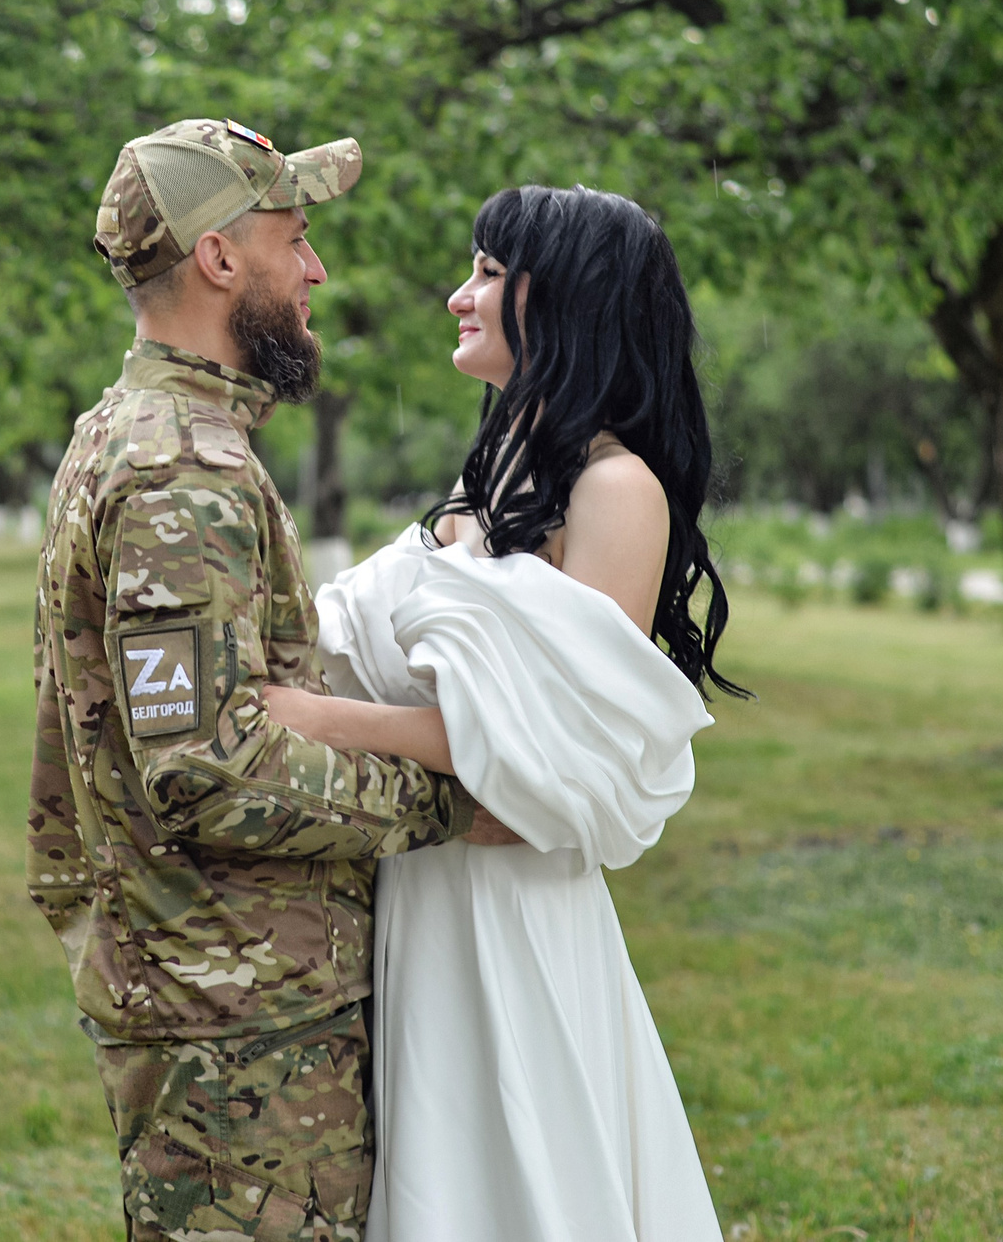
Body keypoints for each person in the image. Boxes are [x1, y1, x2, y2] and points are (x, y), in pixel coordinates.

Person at [28, 118, 511, 1242]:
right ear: (219, 258)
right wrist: (448, 801)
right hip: (233, 1015)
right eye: (294, 237)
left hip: (211, 990)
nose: (315, 270)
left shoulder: (141, 431)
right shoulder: (177, 466)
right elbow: (205, 765)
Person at [263, 184, 748, 1242]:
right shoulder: (496, 470)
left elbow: (540, 755)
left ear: (565, 297)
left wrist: (302, 716)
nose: (456, 295)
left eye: (486, 272)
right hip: (426, 886)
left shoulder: (615, 488)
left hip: (508, 909)